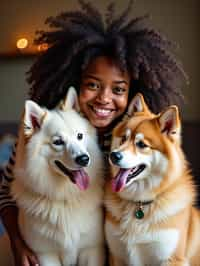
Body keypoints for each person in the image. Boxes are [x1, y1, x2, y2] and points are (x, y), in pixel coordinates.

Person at [0, 0, 187, 265]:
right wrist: (18, 243)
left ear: (133, 94)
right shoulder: (48, 131)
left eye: (119, 89)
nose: (104, 99)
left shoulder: (137, 140)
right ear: (74, 84)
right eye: (92, 85)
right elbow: (6, 193)